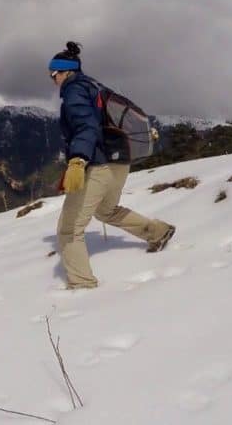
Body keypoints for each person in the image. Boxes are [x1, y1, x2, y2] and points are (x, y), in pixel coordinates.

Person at [51, 41, 176, 289]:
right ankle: (158, 232)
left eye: (54, 73)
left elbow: (86, 127)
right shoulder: (95, 87)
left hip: (97, 165)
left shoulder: (75, 92)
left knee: (69, 230)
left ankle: (82, 285)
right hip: (119, 163)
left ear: (66, 72)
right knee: (106, 211)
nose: (52, 79)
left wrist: (78, 159)